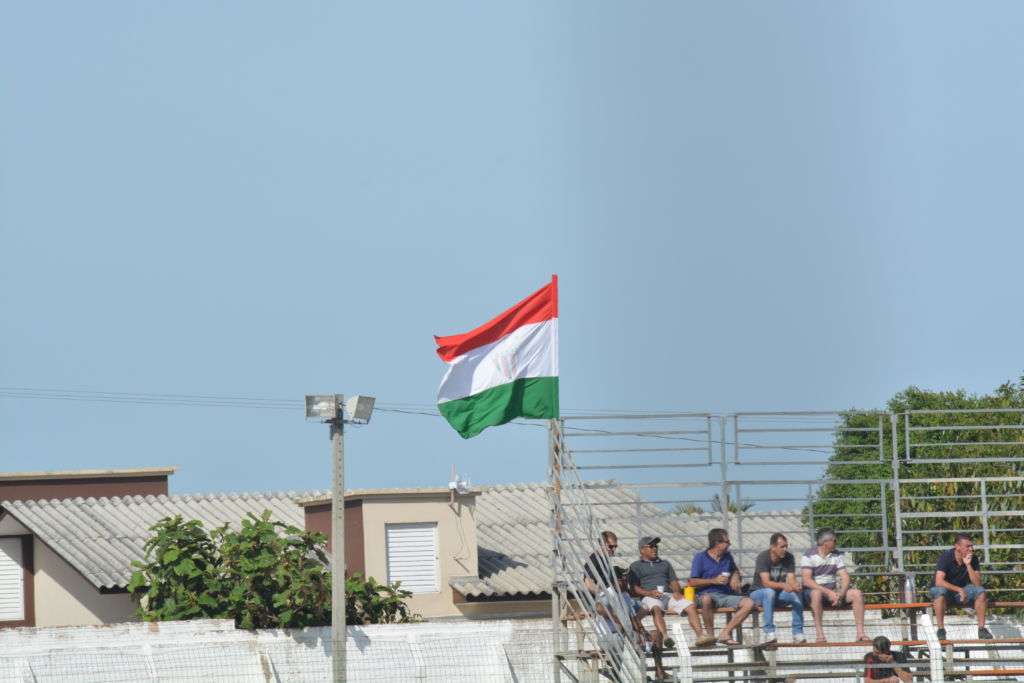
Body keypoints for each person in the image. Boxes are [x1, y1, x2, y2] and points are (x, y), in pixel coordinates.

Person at [628, 535, 717, 653]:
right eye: (651, 546)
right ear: (642, 550)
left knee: (690, 605)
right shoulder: (635, 566)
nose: (655, 549)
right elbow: (634, 589)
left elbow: (673, 581)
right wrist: (649, 593)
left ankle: (700, 635)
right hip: (650, 596)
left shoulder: (665, 564)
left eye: (656, 546)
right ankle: (666, 637)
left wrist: (677, 592)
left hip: (668, 595)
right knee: (655, 608)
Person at [690, 528, 756, 646]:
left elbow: (734, 570)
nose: (729, 544)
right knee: (706, 599)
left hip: (726, 595)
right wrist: (713, 581)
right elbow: (692, 582)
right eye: (727, 542)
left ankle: (725, 633)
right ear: (717, 543)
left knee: (749, 603)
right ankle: (710, 636)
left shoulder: (727, 556)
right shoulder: (700, 557)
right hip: (708, 594)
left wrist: (735, 576)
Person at [800, 528, 868, 643]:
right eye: (835, 540)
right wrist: (828, 592)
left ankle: (860, 634)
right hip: (815, 593)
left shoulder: (836, 555)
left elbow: (845, 577)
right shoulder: (808, 555)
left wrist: (840, 595)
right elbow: (807, 581)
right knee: (816, 594)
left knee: (856, 593)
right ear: (826, 542)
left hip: (832, 593)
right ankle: (820, 635)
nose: (837, 542)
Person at [929, 533, 992, 640]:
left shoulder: (973, 559)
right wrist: (959, 589)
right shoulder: (946, 557)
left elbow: (977, 584)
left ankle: (981, 629)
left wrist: (968, 564)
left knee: (981, 591)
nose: (971, 549)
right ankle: (941, 630)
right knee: (940, 592)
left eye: (972, 546)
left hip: (962, 592)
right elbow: (939, 581)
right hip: (945, 591)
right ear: (957, 547)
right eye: (968, 546)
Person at [748, 533, 806, 643]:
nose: (785, 549)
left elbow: (791, 578)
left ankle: (797, 633)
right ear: (772, 547)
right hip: (758, 594)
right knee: (769, 592)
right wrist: (784, 585)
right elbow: (766, 583)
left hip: (777, 595)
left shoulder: (789, 557)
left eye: (786, 546)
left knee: (796, 595)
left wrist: (795, 585)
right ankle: (769, 632)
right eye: (782, 547)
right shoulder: (763, 557)